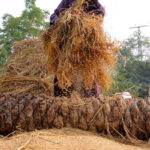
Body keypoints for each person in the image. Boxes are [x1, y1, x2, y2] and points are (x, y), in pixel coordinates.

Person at [50, 0, 105, 97]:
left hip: (86, 51)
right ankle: (61, 102)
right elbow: (54, 16)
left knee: (89, 83)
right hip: (67, 48)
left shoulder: (98, 7)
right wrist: (60, 22)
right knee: (62, 83)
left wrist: (85, 25)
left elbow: (97, 23)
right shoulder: (68, 1)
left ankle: (91, 102)